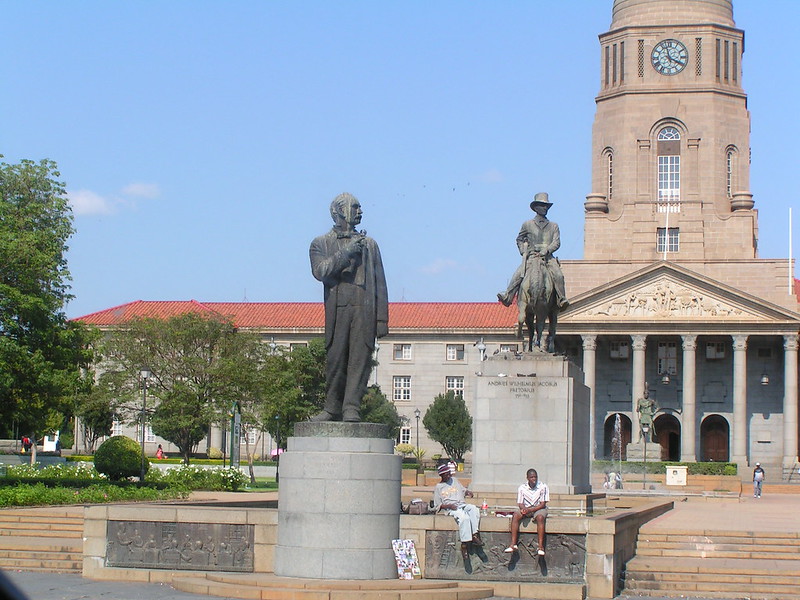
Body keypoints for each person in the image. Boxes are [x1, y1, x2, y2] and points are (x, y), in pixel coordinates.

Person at [309, 193, 389, 422]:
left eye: (359, 207)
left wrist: (382, 320)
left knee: (360, 359)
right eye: (354, 207)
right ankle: (332, 407)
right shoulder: (320, 243)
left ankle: (351, 407)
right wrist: (347, 252)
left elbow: (381, 283)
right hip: (339, 308)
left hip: (364, 308)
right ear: (337, 211)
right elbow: (321, 272)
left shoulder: (371, 245)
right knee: (336, 358)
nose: (360, 211)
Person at [497, 192, 568, 310]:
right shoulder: (527, 224)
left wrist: (547, 250)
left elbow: (557, 242)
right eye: (542, 205)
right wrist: (523, 251)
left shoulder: (553, 226)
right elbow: (519, 239)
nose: (545, 208)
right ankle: (508, 296)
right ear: (535, 207)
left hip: (548, 258)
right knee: (518, 274)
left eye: (546, 206)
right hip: (531, 257)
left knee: (558, 275)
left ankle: (561, 299)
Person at [432, 463, 482, 561]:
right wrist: (448, 505)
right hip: (451, 508)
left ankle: (475, 534)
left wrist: (468, 492)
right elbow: (437, 505)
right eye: (447, 474)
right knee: (464, 518)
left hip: (461, 504)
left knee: (473, 509)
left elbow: (463, 490)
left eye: (450, 473)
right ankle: (464, 545)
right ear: (442, 475)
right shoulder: (439, 487)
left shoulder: (454, 480)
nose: (449, 475)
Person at [504, 468, 549, 556]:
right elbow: (520, 503)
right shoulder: (522, 488)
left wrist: (530, 510)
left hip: (539, 508)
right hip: (527, 508)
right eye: (531, 477)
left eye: (535, 477)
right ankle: (513, 544)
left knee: (540, 517)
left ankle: (540, 547)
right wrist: (524, 509)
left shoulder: (543, 486)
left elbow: (543, 504)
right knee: (516, 515)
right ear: (527, 478)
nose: (534, 479)